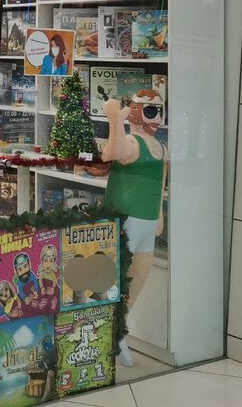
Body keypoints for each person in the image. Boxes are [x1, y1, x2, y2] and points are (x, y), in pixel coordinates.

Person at [101, 90, 167, 367]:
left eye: (160, 111)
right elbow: (111, 153)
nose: (157, 118)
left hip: (148, 223)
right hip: (126, 221)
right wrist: (115, 121)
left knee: (139, 274)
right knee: (115, 277)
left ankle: (117, 326)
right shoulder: (131, 142)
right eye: (151, 111)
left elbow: (160, 183)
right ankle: (108, 328)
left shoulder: (160, 146)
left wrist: (159, 216)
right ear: (137, 112)